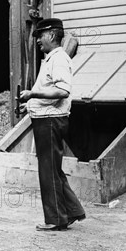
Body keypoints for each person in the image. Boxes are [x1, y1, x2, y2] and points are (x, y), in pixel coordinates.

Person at [18, 18, 86, 231]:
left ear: (51, 36)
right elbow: (50, 91)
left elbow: (62, 91)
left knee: (48, 171)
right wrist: (30, 103)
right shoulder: (51, 59)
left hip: (50, 121)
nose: (38, 40)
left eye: (40, 35)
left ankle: (56, 219)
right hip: (46, 119)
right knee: (53, 169)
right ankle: (72, 211)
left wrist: (32, 93)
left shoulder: (58, 59)